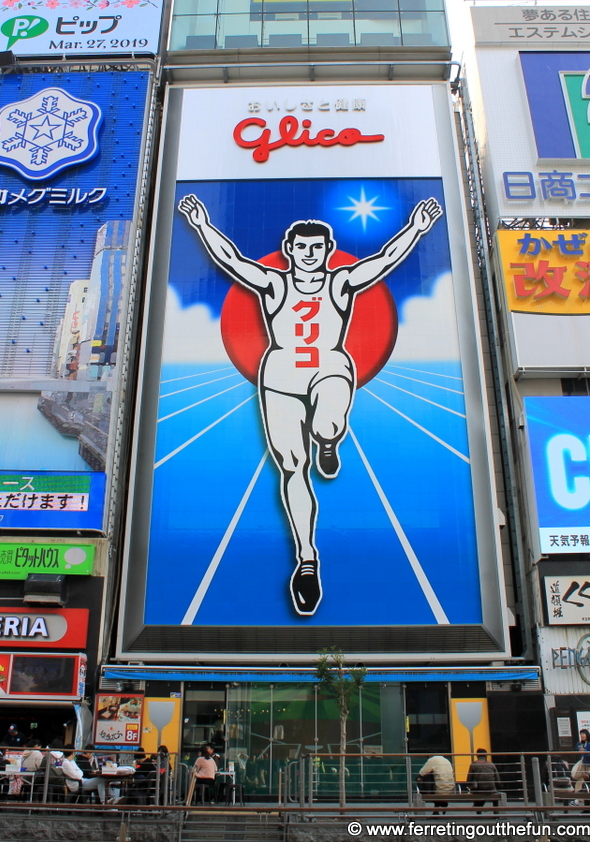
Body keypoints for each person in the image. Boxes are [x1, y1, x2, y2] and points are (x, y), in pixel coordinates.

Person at [179, 193, 442, 615]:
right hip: (280, 375)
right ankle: (306, 559)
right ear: (290, 250)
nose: (308, 254)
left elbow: (385, 259)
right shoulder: (273, 283)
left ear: (327, 251)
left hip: (330, 367)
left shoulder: (341, 283)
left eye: (316, 248)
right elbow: (231, 260)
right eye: (301, 247)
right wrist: (202, 224)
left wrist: (416, 228)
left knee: (326, 423)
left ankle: (328, 440)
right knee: (291, 466)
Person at [466, 748, 501, 813]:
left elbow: (469, 779)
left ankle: (478, 807)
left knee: (478, 790)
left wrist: (469, 785)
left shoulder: (474, 764)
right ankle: (496, 813)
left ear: (477, 755)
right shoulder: (491, 764)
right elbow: (497, 779)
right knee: (490, 792)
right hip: (491, 788)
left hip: (479, 789)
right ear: (486, 755)